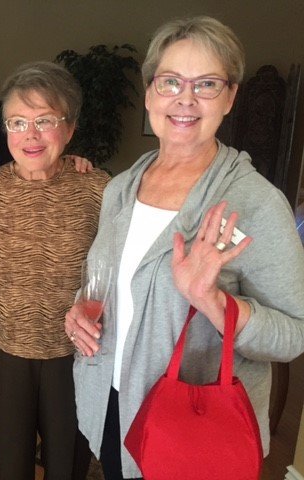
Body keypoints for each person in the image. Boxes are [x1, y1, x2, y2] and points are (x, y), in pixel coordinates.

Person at [65, 16, 304, 480]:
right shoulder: (120, 189)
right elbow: (111, 284)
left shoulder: (255, 203)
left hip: (192, 431)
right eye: (171, 81)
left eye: (207, 84)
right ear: (150, 92)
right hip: (112, 408)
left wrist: (213, 302)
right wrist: (80, 310)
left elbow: (294, 334)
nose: (185, 98)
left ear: (230, 97)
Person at [0, 61, 110, 480]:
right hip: (3, 351)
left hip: (75, 355)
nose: (30, 135)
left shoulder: (99, 188)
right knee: (8, 469)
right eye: (17, 122)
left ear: (69, 129)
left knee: (68, 467)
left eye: (45, 120)